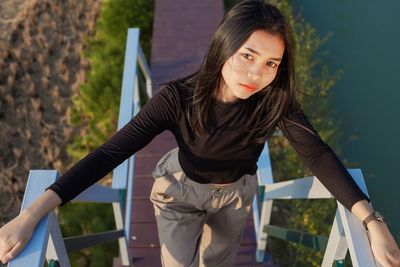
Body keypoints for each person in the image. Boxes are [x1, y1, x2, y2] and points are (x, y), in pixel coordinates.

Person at [1, 0, 399, 266]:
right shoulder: (176, 98)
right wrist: (31, 214)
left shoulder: (276, 101)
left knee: (218, 262)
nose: (256, 74)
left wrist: (371, 221)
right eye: (248, 55)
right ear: (224, 46)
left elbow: (317, 154)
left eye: (271, 63)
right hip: (179, 191)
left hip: (236, 194)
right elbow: (108, 154)